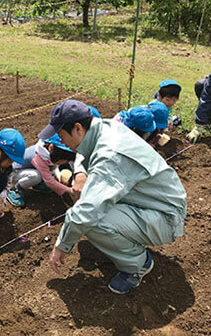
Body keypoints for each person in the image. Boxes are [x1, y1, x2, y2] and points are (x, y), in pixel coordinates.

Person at [40, 100, 187, 294]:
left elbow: (87, 212)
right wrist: (81, 174)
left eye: (61, 135)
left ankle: (138, 265)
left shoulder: (109, 155)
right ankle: (126, 242)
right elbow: (84, 152)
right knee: (91, 208)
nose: (62, 142)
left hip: (165, 216)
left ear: (77, 128)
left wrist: (62, 245)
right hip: (152, 201)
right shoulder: (104, 128)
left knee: (93, 221)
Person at [7, 133, 76, 207]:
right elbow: (49, 181)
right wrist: (69, 190)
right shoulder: (38, 157)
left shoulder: (49, 153)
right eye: (62, 160)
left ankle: (38, 184)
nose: (61, 163)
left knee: (43, 176)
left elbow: (54, 167)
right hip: (15, 173)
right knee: (36, 176)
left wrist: (58, 175)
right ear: (51, 147)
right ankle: (15, 189)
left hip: (30, 170)